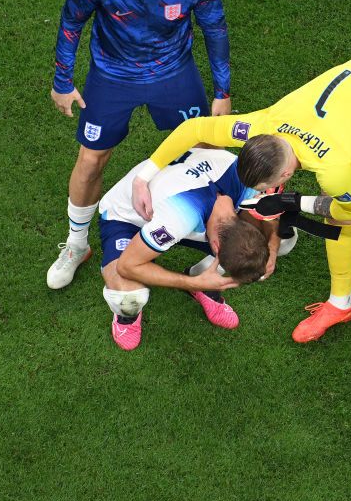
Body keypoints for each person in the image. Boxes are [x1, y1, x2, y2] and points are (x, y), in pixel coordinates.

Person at [130, 50, 351, 376]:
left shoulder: (333, 168)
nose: (265, 193)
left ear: (283, 177)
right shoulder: (260, 126)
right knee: (336, 210)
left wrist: (292, 203)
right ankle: (342, 302)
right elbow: (195, 129)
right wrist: (144, 178)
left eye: (268, 188)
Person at [47, 0, 232, 290]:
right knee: (90, 161)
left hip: (174, 73)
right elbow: (72, 20)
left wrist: (222, 91)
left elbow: (216, 30)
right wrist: (62, 81)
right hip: (112, 76)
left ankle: (218, 242)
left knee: (208, 150)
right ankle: (76, 244)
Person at [99, 148, 276, 351]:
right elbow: (128, 266)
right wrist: (191, 282)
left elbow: (269, 206)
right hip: (128, 217)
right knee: (130, 298)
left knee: (248, 252)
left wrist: (272, 245)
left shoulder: (243, 174)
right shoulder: (178, 219)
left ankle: (205, 285)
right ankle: (127, 316)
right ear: (216, 246)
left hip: (173, 202)